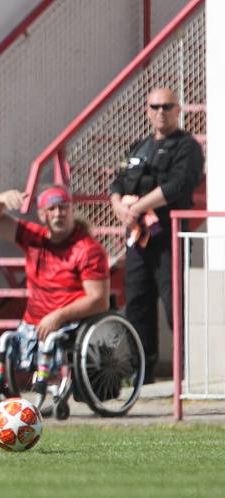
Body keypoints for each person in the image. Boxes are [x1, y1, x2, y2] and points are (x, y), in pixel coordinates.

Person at [0, 185, 110, 401]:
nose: (58, 213)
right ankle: (8, 400)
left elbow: (99, 300)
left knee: (52, 340)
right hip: (34, 321)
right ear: (42, 214)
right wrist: (1, 199)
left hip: (69, 322)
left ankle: (48, 389)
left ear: (71, 210)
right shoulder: (34, 237)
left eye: (63, 208)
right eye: (52, 209)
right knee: (6, 341)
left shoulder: (87, 249)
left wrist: (59, 316)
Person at [109, 87, 204, 384]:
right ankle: (142, 371)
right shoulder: (139, 147)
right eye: (155, 107)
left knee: (175, 303)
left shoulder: (187, 146)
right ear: (147, 111)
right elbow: (118, 183)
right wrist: (118, 207)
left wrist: (138, 206)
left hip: (168, 236)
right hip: (138, 238)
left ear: (178, 110)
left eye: (167, 107)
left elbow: (178, 186)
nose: (161, 112)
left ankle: (189, 373)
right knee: (138, 302)